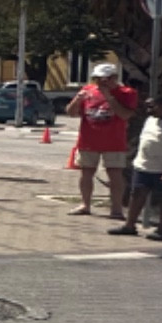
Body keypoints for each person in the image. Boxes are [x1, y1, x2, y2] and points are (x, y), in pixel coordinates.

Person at [111, 92, 162, 241]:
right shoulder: (150, 120)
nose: (149, 110)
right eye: (147, 107)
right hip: (143, 167)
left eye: (152, 107)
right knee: (137, 195)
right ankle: (129, 226)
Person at [66, 62, 138, 216]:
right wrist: (77, 101)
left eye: (104, 79)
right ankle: (85, 205)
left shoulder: (127, 92)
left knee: (115, 175)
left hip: (114, 141)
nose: (99, 82)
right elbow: (71, 113)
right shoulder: (87, 91)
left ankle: (117, 209)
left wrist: (109, 97)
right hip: (88, 140)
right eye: (97, 79)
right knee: (86, 173)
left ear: (114, 78)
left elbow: (125, 115)